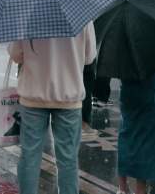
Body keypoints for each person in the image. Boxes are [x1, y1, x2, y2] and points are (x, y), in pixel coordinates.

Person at [8, 22, 97, 194]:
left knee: (29, 157)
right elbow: (89, 56)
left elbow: (15, 55)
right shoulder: (81, 15)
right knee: (68, 160)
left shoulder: (26, 11)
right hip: (68, 97)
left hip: (33, 96)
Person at [117, 70, 155, 194]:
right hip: (149, 85)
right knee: (147, 137)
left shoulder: (119, 53)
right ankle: (140, 188)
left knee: (127, 132)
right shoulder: (149, 52)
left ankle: (122, 187)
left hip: (127, 84)